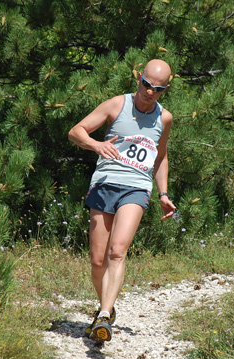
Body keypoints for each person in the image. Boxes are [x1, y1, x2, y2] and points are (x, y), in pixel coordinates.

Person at [68, 59, 176, 342]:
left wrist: (163, 193)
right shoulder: (116, 104)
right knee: (97, 260)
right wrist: (96, 144)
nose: (150, 92)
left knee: (117, 251)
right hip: (104, 183)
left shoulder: (164, 118)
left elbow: (160, 156)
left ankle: (104, 315)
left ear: (166, 89)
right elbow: (76, 131)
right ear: (139, 78)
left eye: (158, 88)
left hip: (136, 187)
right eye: (146, 84)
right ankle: (106, 306)